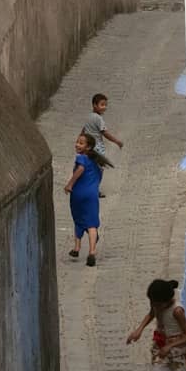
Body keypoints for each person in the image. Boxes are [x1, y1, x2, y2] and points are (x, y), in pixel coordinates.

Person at [64, 133, 103, 267]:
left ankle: (77, 248)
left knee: (78, 218)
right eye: (77, 142)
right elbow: (99, 175)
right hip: (92, 195)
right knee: (92, 224)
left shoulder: (81, 158)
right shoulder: (95, 162)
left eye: (81, 143)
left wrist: (70, 184)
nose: (77, 144)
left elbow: (80, 169)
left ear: (88, 147)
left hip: (78, 194)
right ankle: (92, 251)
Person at [83, 93, 123, 198]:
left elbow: (84, 130)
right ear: (94, 105)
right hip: (97, 148)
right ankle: (94, 190)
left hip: (88, 147)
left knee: (90, 168)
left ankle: (87, 187)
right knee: (99, 170)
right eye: (102, 105)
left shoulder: (89, 117)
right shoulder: (98, 119)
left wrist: (80, 141)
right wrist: (117, 141)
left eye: (105, 105)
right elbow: (105, 133)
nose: (104, 107)